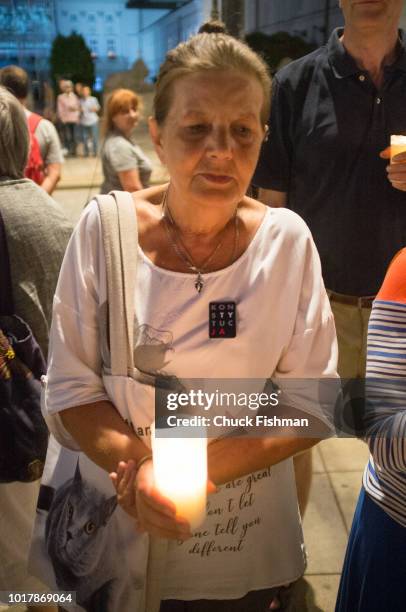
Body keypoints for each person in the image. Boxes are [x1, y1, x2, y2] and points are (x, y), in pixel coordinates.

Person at [44, 33, 337, 611]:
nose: (221, 151)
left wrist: (185, 469)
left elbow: (311, 403)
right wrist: (137, 473)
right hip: (113, 542)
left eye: (242, 131)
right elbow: (70, 386)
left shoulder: (287, 241)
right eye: (197, 128)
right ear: (156, 134)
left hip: (245, 548)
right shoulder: (104, 231)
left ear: (262, 139)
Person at [253, 0, 406, 515]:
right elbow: (269, 205)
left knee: (398, 454)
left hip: (401, 311)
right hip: (318, 306)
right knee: (293, 435)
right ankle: (287, 564)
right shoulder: (295, 84)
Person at [0, 87, 72, 612]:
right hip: (46, 419)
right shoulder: (51, 210)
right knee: (40, 571)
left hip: (10, 424)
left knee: (18, 569)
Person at [0, 66, 63, 195]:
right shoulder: (45, 126)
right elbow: (54, 173)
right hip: (35, 198)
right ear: (26, 90)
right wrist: (37, 201)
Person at [100, 88, 152, 193]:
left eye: (134, 109)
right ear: (113, 117)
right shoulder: (119, 146)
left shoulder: (123, 140)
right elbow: (134, 189)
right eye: (125, 112)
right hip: (125, 207)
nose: (132, 115)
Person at [56, 80, 80, 157]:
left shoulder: (75, 96)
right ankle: (67, 150)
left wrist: (75, 110)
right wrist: (62, 118)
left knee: (74, 136)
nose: (68, 88)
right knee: (66, 136)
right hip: (65, 119)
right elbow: (60, 109)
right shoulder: (60, 97)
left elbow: (78, 107)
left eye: (69, 87)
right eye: (66, 87)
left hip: (74, 119)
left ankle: (74, 151)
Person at [79, 85, 100, 156]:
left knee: (94, 137)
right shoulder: (80, 100)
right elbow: (79, 110)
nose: (85, 92)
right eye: (83, 91)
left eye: (86, 91)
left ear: (89, 92)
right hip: (84, 121)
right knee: (85, 138)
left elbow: (98, 108)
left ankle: (95, 152)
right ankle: (86, 152)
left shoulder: (93, 99)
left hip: (93, 120)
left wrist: (93, 109)